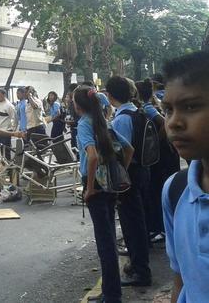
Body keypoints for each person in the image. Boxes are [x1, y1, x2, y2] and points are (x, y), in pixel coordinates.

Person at [74, 86, 134, 303]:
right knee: (108, 237)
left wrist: (89, 188)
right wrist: (119, 175)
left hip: (97, 188)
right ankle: (111, 291)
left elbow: (91, 157)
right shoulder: (104, 123)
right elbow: (129, 150)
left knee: (105, 242)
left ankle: (111, 295)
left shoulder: (84, 124)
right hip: (109, 186)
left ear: (78, 105)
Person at [160, 50, 209, 303]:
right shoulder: (176, 189)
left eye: (191, 107)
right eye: (168, 109)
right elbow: (181, 280)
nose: (174, 122)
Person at [106, 76, 152, 287]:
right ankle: (137, 265)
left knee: (132, 224)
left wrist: (118, 179)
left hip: (130, 176)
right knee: (138, 221)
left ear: (110, 95)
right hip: (142, 171)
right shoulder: (138, 111)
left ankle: (141, 271)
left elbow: (124, 151)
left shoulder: (122, 118)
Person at [136, 79, 180, 243]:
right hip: (160, 157)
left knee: (156, 191)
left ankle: (161, 229)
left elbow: (163, 123)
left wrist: (156, 142)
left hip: (159, 158)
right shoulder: (147, 106)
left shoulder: (147, 108)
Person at [0, 89, 17, 161]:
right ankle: (1, 164)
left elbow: (14, 119)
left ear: (4, 95)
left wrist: (13, 130)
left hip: (6, 131)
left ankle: (8, 168)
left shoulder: (9, 106)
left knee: (6, 150)